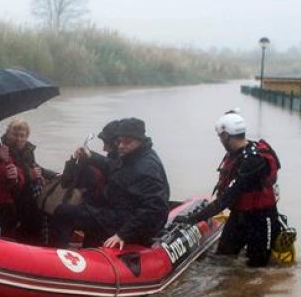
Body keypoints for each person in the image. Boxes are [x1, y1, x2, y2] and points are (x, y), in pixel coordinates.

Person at [174, 110, 282, 267]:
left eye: (220, 137)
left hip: (261, 219)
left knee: (257, 268)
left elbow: (227, 197)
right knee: (222, 259)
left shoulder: (253, 161)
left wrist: (193, 219)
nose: (220, 140)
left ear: (226, 136)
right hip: (240, 216)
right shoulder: (235, 154)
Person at [50, 117, 170, 250]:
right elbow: (112, 166)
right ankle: (87, 249)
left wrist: (123, 235)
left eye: (127, 142)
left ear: (139, 140)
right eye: (119, 141)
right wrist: (91, 155)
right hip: (119, 212)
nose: (121, 146)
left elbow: (155, 208)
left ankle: (56, 255)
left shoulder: (147, 169)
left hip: (124, 221)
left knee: (63, 212)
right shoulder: (136, 156)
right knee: (87, 207)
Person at [0, 118, 49, 243]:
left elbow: (35, 166)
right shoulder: (1, 150)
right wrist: (30, 176)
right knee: (34, 210)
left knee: (47, 199)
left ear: (27, 136)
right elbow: (7, 174)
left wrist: (51, 174)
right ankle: (32, 240)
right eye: (15, 135)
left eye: (22, 136)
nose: (19, 139)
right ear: (8, 133)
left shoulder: (27, 150)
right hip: (13, 192)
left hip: (27, 187)